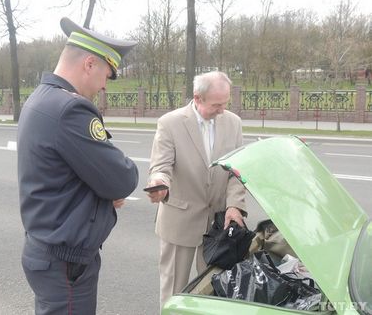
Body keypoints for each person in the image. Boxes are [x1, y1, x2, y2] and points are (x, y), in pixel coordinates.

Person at [17, 17, 139, 315]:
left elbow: (64, 174)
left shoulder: (39, 99)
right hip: (65, 263)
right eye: (107, 75)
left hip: (46, 253)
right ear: (89, 64)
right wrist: (108, 190)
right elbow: (122, 179)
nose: (104, 87)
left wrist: (102, 192)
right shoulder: (71, 108)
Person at [146, 71, 247, 308]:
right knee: (173, 291)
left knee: (215, 291)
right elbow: (161, 166)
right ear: (197, 98)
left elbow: (236, 170)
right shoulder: (170, 123)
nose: (222, 110)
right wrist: (160, 183)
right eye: (216, 104)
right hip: (179, 219)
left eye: (225, 103)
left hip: (218, 225)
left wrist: (235, 206)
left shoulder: (233, 123)